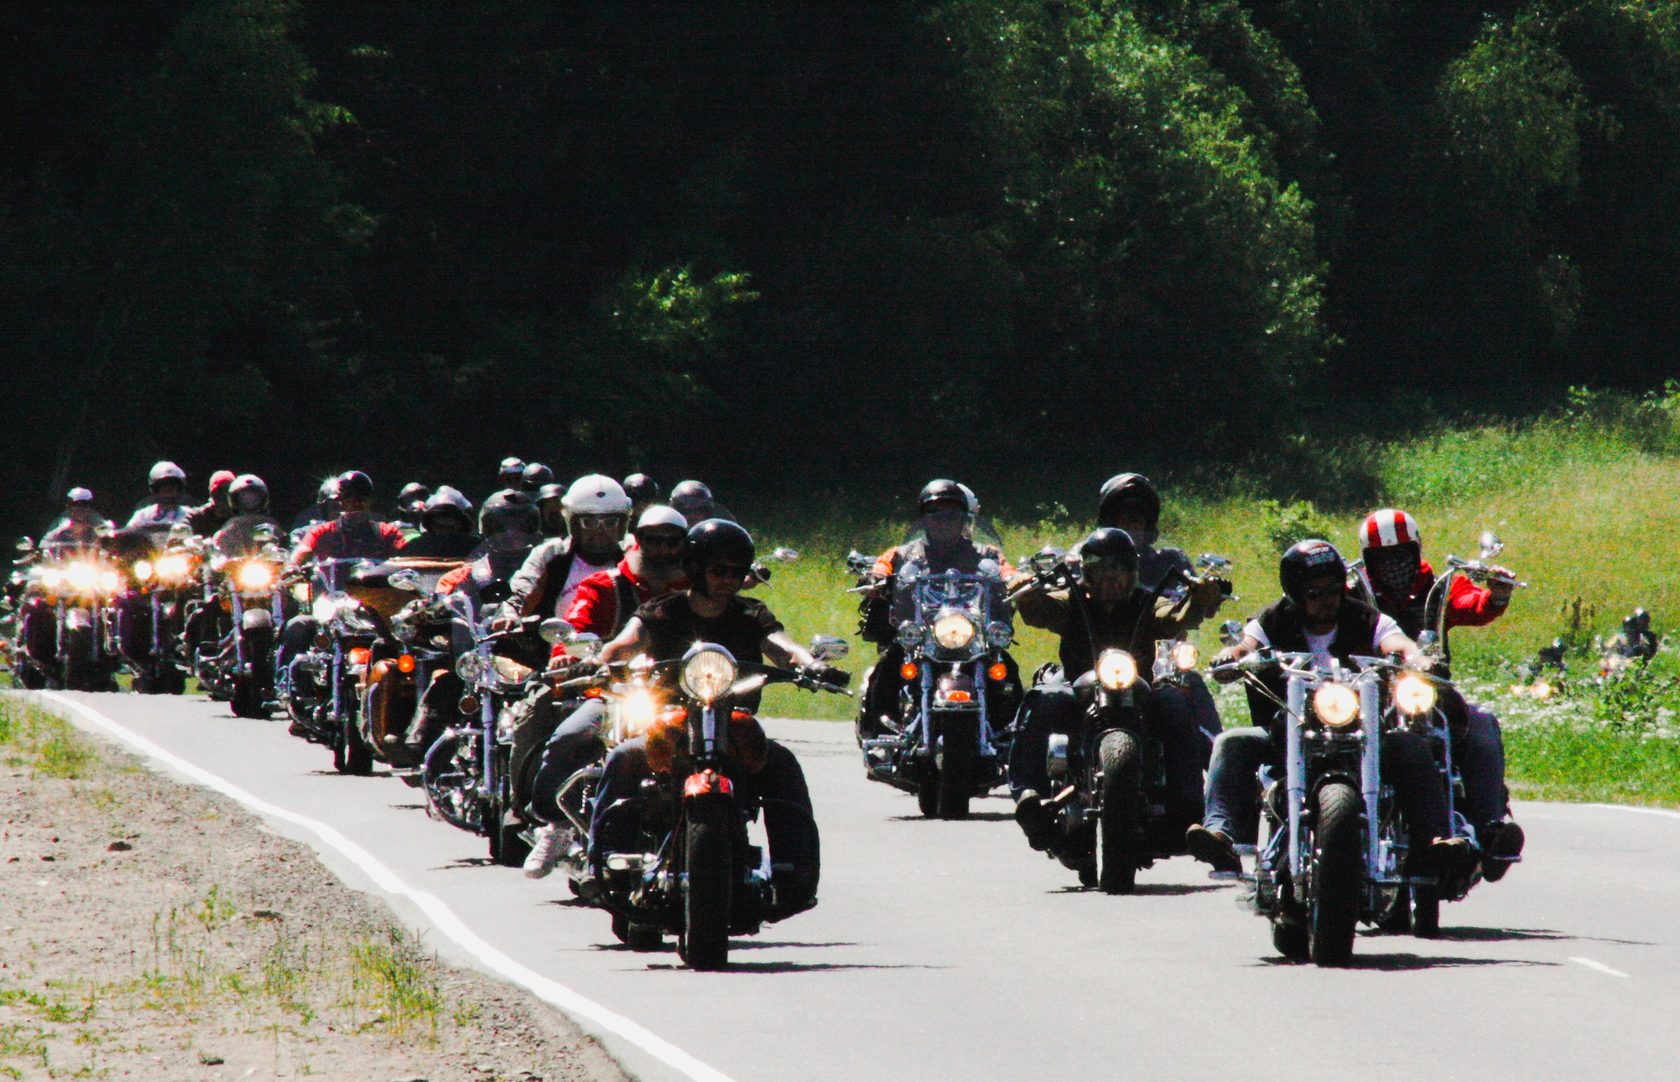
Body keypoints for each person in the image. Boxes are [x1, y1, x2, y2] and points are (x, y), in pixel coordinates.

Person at [578, 520, 847, 920]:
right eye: (719, 570)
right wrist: (597, 660)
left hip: (732, 721)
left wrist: (811, 665)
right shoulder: (661, 610)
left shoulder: (750, 613)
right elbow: (625, 642)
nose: (729, 579)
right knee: (623, 759)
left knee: (782, 764)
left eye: (737, 572)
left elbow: (782, 647)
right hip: (670, 721)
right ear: (695, 567)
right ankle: (600, 866)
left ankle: (795, 875)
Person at [1183, 539, 1475, 881]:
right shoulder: (1275, 619)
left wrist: (1417, 657)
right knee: (1230, 743)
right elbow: (1248, 643)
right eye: (1314, 592)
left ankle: (1434, 840)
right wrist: (1232, 657)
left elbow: (1397, 642)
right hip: (1290, 728)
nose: (1326, 600)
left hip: (1363, 730)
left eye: (1333, 590)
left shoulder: (1365, 617)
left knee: (1412, 745)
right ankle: (1220, 834)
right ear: (1296, 593)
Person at [1007, 528, 1227, 851]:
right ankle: (1030, 795)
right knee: (1043, 697)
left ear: (1132, 575)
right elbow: (1040, 610)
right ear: (1087, 574)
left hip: (1138, 690)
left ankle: (1187, 810)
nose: (1111, 582)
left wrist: (1198, 598)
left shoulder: (1147, 601)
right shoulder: (1072, 599)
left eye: (1119, 574)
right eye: (1101, 573)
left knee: (1175, 701)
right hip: (1079, 688)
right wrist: (1027, 593)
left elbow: (1173, 615)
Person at [521, 505, 692, 878]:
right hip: (617, 694)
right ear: (638, 540)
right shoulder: (604, 584)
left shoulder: (697, 592)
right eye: (653, 540)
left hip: (685, 698)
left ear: (684, 545)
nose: (662, 549)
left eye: (672, 541)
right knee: (569, 736)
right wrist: (567, 656)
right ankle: (557, 827)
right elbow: (576, 623)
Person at [1352, 508, 1524, 879]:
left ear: (1416, 551)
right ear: (1368, 560)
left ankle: (1492, 827)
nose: (1394, 566)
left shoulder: (1441, 584)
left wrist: (1494, 595)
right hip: (1370, 693)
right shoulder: (1354, 589)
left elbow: (1472, 605)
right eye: (1383, 558)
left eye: (1402, 555)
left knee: (1480, 724)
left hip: (1430, 690)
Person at [855, 479, 1017, 743]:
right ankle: (879, 734)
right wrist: (873, 579)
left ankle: (1012, 737)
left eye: (952, 514)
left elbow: (1009, 573)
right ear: (924, 519)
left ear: (964, 518)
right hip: (920, 636)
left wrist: (1018, 579)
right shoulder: (903, 554)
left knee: (1006, 670)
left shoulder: (986, 554)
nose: (944, 520)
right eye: (935, 514)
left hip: (972, 635)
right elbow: (880, 567)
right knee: (888, 667)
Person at [1093, 472, 1228, 761]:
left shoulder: (1171, 561)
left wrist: (1208, 593)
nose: (1132, 528)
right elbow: (1060, 590)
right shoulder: (1089, 559)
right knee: (1054, 696)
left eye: (1137, 520)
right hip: (1097, 664)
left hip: (1160, 662)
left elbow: (1197, 594)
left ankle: (1221, 766)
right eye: (1124, 520)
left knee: (1190, 684)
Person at [276, 472, 407, 705]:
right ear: (339, 502)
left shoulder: (387, 532)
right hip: (332, 602)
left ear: (370, 501)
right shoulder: (322, 532)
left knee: (406, 637)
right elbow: (300, 554)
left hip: (375, 606)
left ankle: (402, 693)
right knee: (298, 625)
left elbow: (407, 557)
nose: (356, 503)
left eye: (361, 498)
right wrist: (292, 569)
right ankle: (288, 687)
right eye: (349, 498)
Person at [503, 475, 632, 623]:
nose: (600, 531)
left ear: (622, 526)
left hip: (622, 643)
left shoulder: (631, 554)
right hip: (558, 641)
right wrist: (509, 616)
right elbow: (520, 590)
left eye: (610, 522)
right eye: (589, 522)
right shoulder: (550, 554)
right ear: (574, 525)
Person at [398, 486, 479, 559]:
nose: (445, 522)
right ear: (429, 524)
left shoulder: (476, 547)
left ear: (462, 524)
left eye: (450, 526)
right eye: (439, 526)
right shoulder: (415, 546)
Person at [210, 474, 281, 555]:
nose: (249, 500)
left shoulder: (271, 526)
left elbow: (281, 548)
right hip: (237, 566)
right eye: (244, 497)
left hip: (265, 565)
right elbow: (220, 550)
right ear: (234, 499)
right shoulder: (230, 528)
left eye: (254, 497)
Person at [126, 461, 190, 534]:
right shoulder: (143, 516)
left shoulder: (189, 515)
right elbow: (128, 534)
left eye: (172, 487)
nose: (168, 492)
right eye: (163, 488)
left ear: (179, 489)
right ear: (155, 490)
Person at [40, 488, 110, 551]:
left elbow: (108, 536)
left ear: (89, 506)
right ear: (68, 506)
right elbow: (44, 543)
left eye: (84, 505)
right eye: (74, 505)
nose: (79, 509)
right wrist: (59, 530)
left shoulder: (95, 519)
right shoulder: (61, 521)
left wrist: (107, 533)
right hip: (65, 561)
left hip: (90, 560)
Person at [186, 470, 237, 536]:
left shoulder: (239, 514)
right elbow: (185, 523)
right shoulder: (198, 516)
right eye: (219, 492)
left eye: (227, 492)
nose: (223, 497)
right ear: (212, 494)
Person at [669, 479, 734, 526]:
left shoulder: (722, 521)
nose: (693, 516)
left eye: (699, 510)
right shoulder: (664, 524)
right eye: (685, 510)